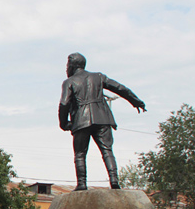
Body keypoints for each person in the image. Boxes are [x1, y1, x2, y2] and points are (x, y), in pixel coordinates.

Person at [58, 52, 145, 190]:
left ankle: (81, 183)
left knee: (80, 154)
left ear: (73, 65)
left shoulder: (69, 82)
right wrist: (136, 101)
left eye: (68, 65)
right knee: (107, 150)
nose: (66, 68)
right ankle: (114, 180)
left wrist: (63, 123)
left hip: (81, 120)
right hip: (102, 118)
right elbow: (120, 88)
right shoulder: (98, 76)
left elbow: (64, 103)